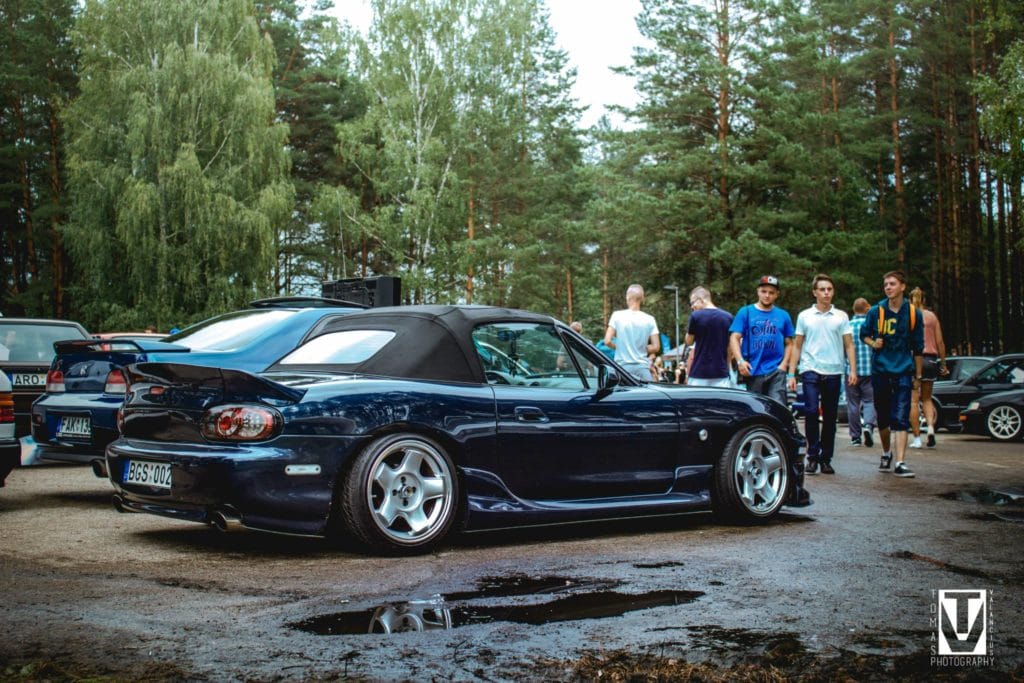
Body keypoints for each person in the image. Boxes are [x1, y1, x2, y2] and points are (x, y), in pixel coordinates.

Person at [787, 274, 857, 475]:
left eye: (830, 289)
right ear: (815, 292)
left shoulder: (841, 316)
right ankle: (812, 456)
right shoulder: (804, 316)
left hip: (834, 370)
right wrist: (792, 374)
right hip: (810, 369)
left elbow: (849, 345)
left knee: (829, 416)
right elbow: (797, 346)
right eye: (822, 289)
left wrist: (852, 369)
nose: (826, 293)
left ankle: (826, 458)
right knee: (810, 411)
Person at [859, 270, 924, 478]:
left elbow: (918, 348)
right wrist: (873, 342)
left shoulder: (914, 314)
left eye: (892, 284)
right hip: (881, 371)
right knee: (884, 418)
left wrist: (918, 377)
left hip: (904, 370)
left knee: (901, 417)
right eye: (886, 284)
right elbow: (863, 335)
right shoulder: (876, 311)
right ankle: (886, 452)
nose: (888, 287)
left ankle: (901, 462)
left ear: (902, 286)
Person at [729, 275, 795, 405]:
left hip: (776, 370)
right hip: (753, 370)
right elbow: (734, 337)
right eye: (764, 291)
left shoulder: (783, 315)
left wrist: (783, 365)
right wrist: (740, 361)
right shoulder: (746, 312)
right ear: (758, 291)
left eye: (771, 293)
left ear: (777, 294)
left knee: (778, 407)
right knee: (756, 408)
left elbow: (789, 343)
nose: (767, 295)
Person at [908, 288, 949, 448]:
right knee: (927, 398)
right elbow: (940, 342)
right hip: (931, 360)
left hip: (913, 359)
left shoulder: (908, 316)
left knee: (913, 400)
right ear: (924, 300)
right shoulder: (932, 317)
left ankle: (917, 438)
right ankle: (931, 428)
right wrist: (943, 364)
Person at [604, 284, 660, 382]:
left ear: (628, 297)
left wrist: (622, 347)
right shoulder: (650, 319)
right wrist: (640, 348)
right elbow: (656, 347)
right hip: (642, 369)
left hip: (622, 369)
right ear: (642, 299)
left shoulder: (617, 316)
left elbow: (607, 341)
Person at [684, 286, 734, 388]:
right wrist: (727, 366)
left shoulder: (696, 316)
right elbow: (729, 348)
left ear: (701, 300)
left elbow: (688, 341)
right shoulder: (728, 317)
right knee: (720, 403)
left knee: (697, 403)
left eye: (692, 303)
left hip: (699, 373)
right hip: (721, 372)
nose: (692, 307)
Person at [846, 297, 877, 448]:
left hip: (851, 371)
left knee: (853, 404)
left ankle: (855, 437)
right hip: (870, 370)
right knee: (870, 401)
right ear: (866, 308)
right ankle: (869, 426)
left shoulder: (848, 326)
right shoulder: (871, 326)